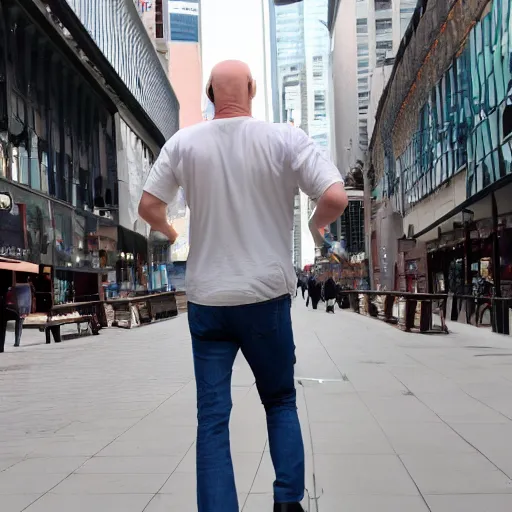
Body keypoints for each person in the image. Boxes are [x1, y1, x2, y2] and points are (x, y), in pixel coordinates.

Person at [138, 60, 348, 512]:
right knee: (279, 401)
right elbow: (335, 196)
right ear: (252, 89)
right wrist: (316, 226)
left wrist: (175, 235)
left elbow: (149, 206)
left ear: (210, 95)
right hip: (265, 298)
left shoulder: (184, 143)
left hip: (207, 300)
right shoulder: (284, 138)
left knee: (212, 419)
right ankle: (288, 501)